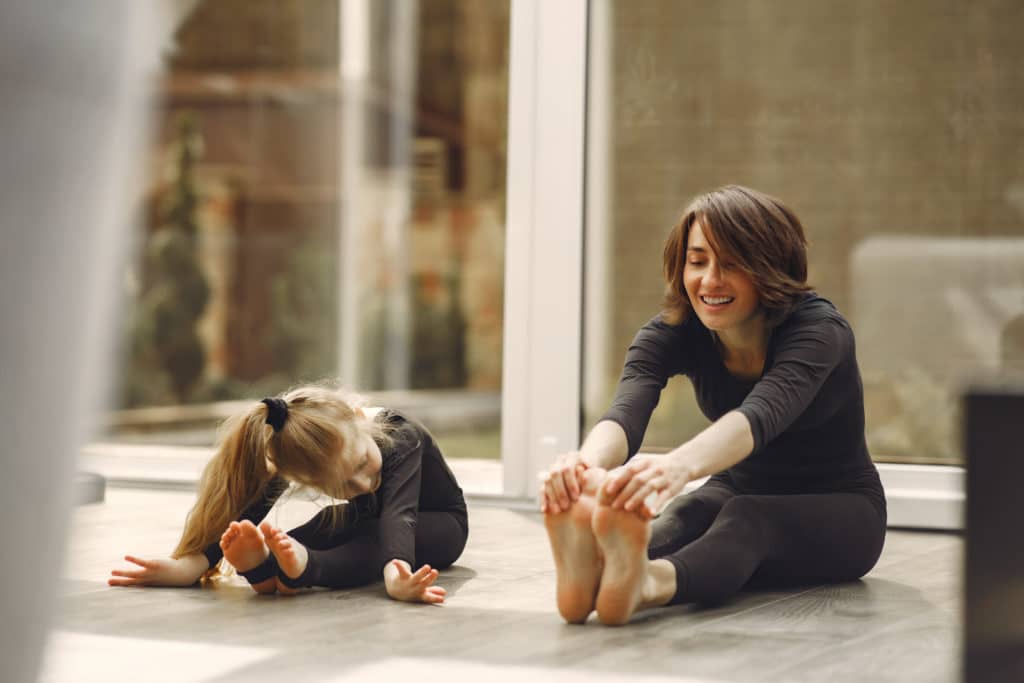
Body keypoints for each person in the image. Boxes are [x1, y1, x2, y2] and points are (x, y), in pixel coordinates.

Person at [541, 185, 886, 625]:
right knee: (689, 510)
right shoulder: (674, 330)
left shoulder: (819, 331)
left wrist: (676, 468)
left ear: (770, 267)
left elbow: (759, 416)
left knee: (747, 517)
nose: (710, 280)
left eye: (732, 264)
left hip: (842, 508)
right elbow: (627, 409)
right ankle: (599, 570)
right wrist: (583, 471)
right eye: (698, 261)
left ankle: (650, 583)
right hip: (736, 484)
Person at [109, 384, 468, 604]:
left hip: (443, 526)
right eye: (341, 485)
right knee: (331, 520)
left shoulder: (403, 435)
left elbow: (398, 515)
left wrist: (397, 576)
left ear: (359, 418)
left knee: (371, 532)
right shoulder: (300, 449)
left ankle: (306, 567)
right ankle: (267, 569)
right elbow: (248, 506)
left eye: (361, 463)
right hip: (376, 522)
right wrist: (191, 565)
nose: (360, 486)